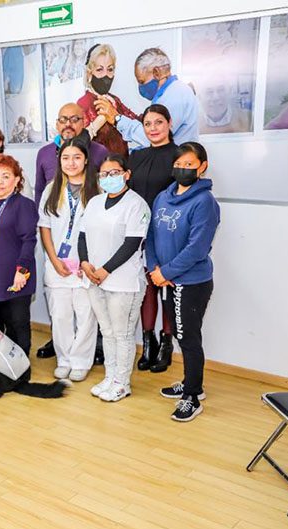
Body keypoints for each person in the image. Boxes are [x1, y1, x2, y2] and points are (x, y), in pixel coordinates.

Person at [146, 142, 219, 422]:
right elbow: (151, 236)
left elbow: (197, 248)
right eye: (179, 164)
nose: (183, 169)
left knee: (188, 337)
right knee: (179, 333)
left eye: (190, 164)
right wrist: (154, 267)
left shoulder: (204, 202)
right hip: (166, 279)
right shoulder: (162, 197)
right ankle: (191, 383)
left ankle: (192, 397)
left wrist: (166, 273)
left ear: (202, 167)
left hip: (191, 282)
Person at [79, 154, 150, 402]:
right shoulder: (94, 202)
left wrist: (105, 270)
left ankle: (122, 382)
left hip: (123, 281)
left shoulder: (136, 204)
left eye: (115, 173)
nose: (109, 178)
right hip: (93, 278)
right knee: (107, 331)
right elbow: (82, 236)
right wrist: (85, 263)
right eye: (104, 174)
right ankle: (109, 377)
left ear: (127, 174)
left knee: (122, 333)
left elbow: (132, 243)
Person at [38, 139, 100, 382]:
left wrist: (88, 262)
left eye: (76, 157)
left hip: (85, 265)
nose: (71, 163)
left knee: (86, 316)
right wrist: (54, 260)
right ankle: (64, 360)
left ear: (86, 160)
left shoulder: (97, 189)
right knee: (60, 316)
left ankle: (81, 361)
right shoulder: (51, 189)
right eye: (65, 158)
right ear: (59, 161)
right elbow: (44, 227)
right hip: (58, 265)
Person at [127, 105, 178, 373]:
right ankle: (149, 342)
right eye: (147, 124)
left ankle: (166, 344)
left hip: (168, 231)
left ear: (169, 123)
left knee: (166, 287)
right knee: (146, 287)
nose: (153, 128)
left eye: (159, 122)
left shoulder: (179, 155)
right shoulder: (136, 156)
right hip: (139, 231)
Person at [0, 154, 38, 357]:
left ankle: (21, 365)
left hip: (16, 275)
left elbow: (29, 240)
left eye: (6, 176)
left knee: (17, 324)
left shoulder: (23, 204)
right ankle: (2, 363)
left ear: (17, 180)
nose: (0, 181)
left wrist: (22, 270)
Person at [98, 47, 199, 149]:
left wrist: (117, 119)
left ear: (156, 72)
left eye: (141, 81)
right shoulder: (169, 94)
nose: (141, 87)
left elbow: (155, 138)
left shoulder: (176, 95)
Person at [35, 103, 108, 213]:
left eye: (74, 120)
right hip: (55, 217)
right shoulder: (44, 153)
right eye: (63, 120)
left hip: (90, 216)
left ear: (84, 122)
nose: (68, 124)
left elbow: (107, 190)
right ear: (57, 124)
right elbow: (39, 190)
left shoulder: (100, 151)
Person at [77, 44, 140, 157]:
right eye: (99, 69)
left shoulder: (114, 100)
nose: (106, 75)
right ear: (90, 73)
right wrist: (101, 120)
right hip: (100, 166)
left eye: (110, 69)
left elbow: (135, 122)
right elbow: (78, 145)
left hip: (123, 165)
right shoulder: (83, 104)